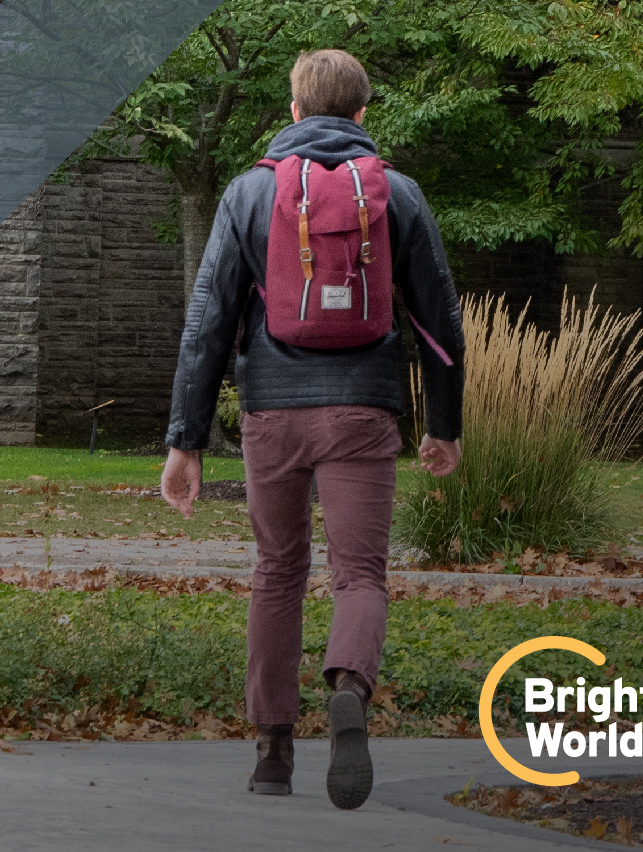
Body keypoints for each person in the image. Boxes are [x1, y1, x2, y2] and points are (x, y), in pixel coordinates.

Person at [161, 48, 465, 809]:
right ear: (363, 113)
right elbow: (439, 322)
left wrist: (185, 439)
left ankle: (271, 752)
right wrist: (445, 423)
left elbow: (206, 325)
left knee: (278, 571)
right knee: (360, 573)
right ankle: (349, 686)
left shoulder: (247, 193)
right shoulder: (396, 192)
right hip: (364, 408)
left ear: (293, 111)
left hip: (272, 411)